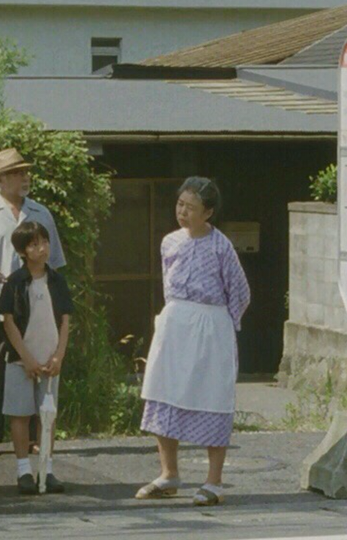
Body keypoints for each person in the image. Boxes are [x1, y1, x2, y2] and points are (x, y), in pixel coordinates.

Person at [134, 177, 250, 507]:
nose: (182, 212)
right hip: (175, 323)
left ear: (208, 213)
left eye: (191, 207)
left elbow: (240, 292)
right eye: (180, 204)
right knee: (163, 390)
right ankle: (169, 473)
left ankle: (213, 481)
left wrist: (223, 327)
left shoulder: (221, 246)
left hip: (210, 325)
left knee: (211, 395)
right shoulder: (169, 242)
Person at [0, 148, 65, 457]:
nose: (25, 178)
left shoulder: (41, 213)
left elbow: (55, 263)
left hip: (35, 306)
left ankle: (37, 436)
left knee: (37, 365)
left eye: (26, 172)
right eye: (16, 173)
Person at [0, 221, 71, 495]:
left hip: (50, 360)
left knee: (47, 416)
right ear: (23, 251)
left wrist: (59, 356)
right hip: (20, 360)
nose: (42, 248)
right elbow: (8, 321)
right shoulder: (15, 282)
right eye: (34, 244)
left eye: (45, 242)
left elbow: (65, 320)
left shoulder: (57, 280)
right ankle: (23, 470)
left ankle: (47, 469)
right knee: (20, 414)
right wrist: (25, 358)